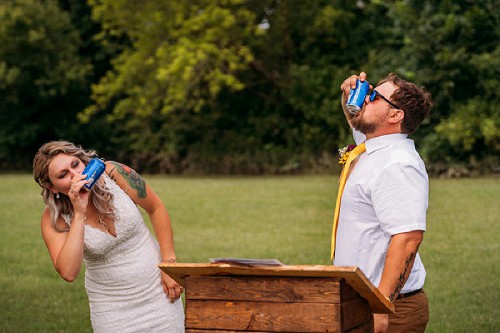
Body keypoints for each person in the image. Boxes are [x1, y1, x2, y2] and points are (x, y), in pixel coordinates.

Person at [33, 141, 185, 332]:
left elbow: (156, 208)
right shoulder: (54, 218)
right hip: (111, 308)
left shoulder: (115, 173)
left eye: (75, 165)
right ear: (52, 187)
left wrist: (169, 263)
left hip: (158, 291)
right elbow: (69, 272)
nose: (75, 175)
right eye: (63, 175)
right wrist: (78, 212)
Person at [334, 72, 432, 333]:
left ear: (395, 116)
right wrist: (350, 98)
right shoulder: (374, 146)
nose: (365, 99)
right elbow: (358, 124)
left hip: (389, 308)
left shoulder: (398, 163)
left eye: (374, 96)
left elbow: (408, 237)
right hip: (361, 302)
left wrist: (381, 305)